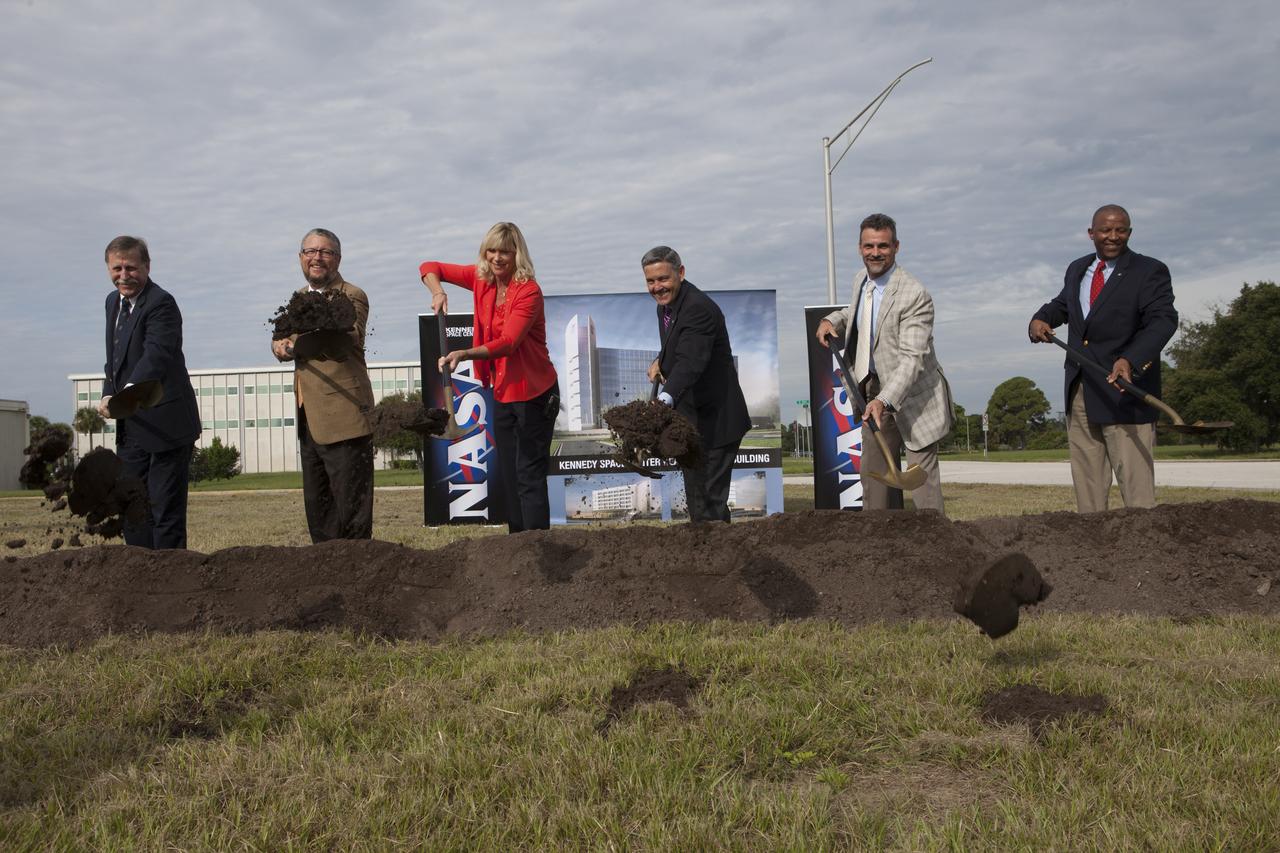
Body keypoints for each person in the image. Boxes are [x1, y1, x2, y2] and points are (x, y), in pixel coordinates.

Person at [1029, 204, 1177, 512]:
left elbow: (1163, 320)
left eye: (1120, 230)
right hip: (1081, 390)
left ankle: (1143, 554)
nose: (1113, 236)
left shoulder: (1149, 271)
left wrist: (1131, 361)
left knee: (1137, 500)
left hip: (1124, 394)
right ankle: (1093, 554)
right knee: (1089, 492)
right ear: (1091, 233)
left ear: (1129, 233)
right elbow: (1064, 305)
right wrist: (1041, 318)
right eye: (1106, 230)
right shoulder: (1078, 268)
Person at [419, 222, 559, 533]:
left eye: (505, 251)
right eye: (491, 250)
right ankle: (518, 546)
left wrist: (463, 354)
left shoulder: (528, 291)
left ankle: (539, 547)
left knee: (528, 474)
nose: (497, 257)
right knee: (509, 475)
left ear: (517, 254)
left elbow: (509, 342)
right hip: (504, 392)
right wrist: (438, 290)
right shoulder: (482, 279)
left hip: (536, 393)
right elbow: (430, 266)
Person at [814, 213, 952, 514]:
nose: (875, 253)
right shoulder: (860, 280)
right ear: (860, 247)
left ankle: (938, 548)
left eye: (883, 246)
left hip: (914, 397)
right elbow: (857, 313)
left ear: (896, 247)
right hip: (871, 387)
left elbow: (912, 359)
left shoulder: (915, 295)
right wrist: (831, 319)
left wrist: (884, 399)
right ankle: (875, 545)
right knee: (873, 477)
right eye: (869, 246)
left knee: (923, 488)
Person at [272, 228, 376, 542]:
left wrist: (294, 341)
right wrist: (280, 346)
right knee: (319, 510)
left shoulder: (350, 294)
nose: (317, 257)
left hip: (345, 414)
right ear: (301, 258)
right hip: (310, 417)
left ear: (337, 259)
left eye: (325, 252)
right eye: (310, 251)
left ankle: (360, 573)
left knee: (351, 511)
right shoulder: (298, 300)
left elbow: (348, 336)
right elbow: (279, 341)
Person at [97, 235, 201, 549]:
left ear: (147, 266)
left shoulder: (161, 303)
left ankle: (171, 582)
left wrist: (125, 395)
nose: (124, 275)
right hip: (132, 426)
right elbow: (115, 358)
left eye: (131, 267)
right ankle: (140, 578)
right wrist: (107, 393)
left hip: (167, 422)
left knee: (164, 509)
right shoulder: (112, 302)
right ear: (108, 269)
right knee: (132, 505)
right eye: (117, 268)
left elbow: (157, 354)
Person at [642, 246, 751, 522]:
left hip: (717, 423)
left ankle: (719, 560)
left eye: (663, 279)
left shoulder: (699, 308)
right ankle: (709, 555)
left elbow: (691, 362)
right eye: (651, 281)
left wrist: (663, 401)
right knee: (698, 501)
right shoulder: (666, 307)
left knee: (709, 502)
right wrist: (661, 361)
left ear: (680, 273)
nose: (657, 287)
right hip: (692, 422)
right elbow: (680, 346)